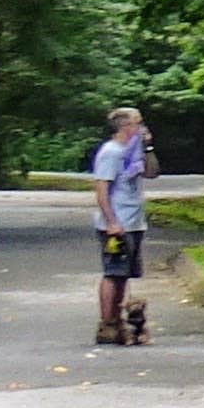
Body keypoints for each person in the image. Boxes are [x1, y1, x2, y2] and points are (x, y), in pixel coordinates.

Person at [86, 105, 152, 348]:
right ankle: (107, 322)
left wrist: (148, 147)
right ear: (126, 126)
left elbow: (152, 172)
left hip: (134, 222)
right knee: (113, 272)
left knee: (125, 274)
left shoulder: (133, 152)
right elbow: (102, 189)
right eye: (138, 123)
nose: (142, 127)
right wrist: (112, 221)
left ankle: (119, 319)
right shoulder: (111, 152)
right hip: (116, 223)